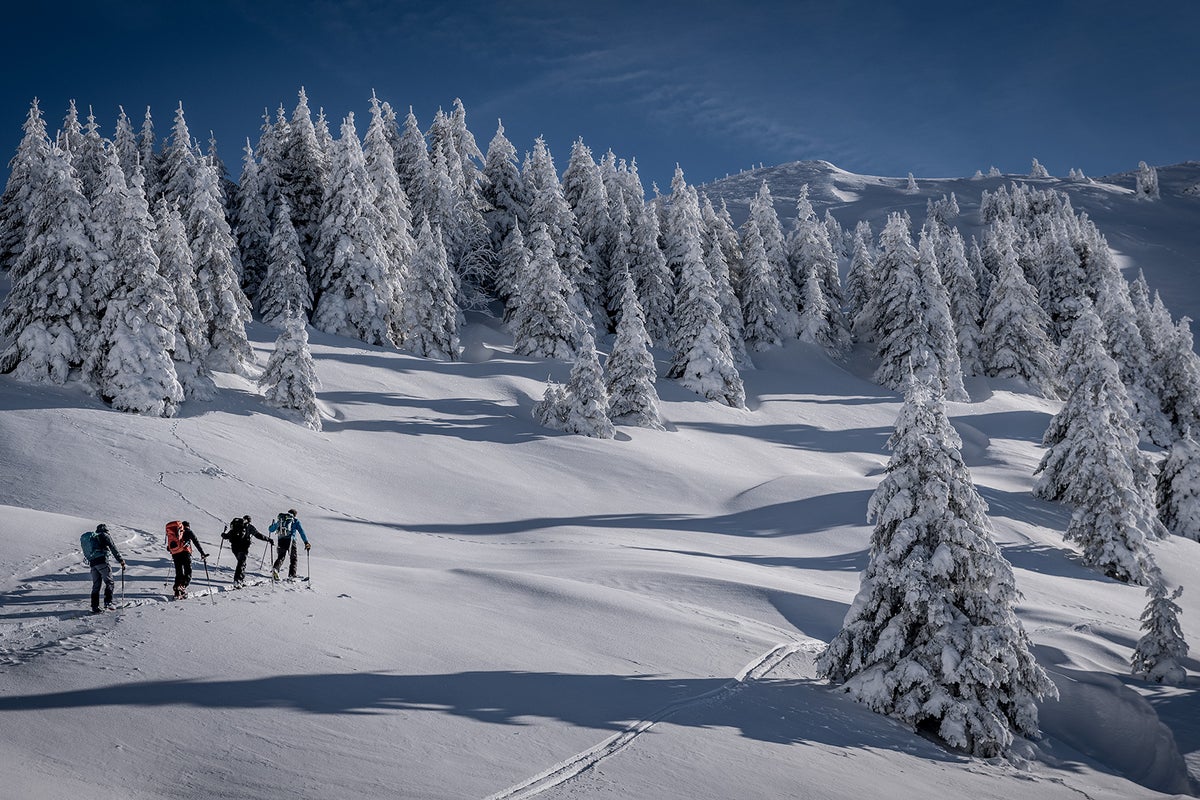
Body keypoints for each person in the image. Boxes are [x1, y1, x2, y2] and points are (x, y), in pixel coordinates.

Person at [80, 523, 126, 613]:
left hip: (93, 563)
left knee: (96, 585)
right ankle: (108, 603)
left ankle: (95, 607)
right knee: (109, 582)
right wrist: (121, 560)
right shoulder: (105, 535)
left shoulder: (93, 538)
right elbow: (113, 547)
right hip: (102, 562)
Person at [222, 515, 270, 588]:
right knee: (241, 563)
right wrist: (268, 539)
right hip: (243, 547)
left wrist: (223, 535)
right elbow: (258, 535)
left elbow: (227, 536)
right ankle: (237, 580)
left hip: (234, 547)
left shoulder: (236, 525)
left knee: (241, 563)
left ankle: (240, 579)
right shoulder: (249, 527)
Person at [166, 520, 208, 599]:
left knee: (179, 572)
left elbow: (169, 547)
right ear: (188, 526)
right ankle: (182, 586)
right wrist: (202, 553)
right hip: (185, 553)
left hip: (175, 554)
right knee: (188, 572)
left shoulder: (175, 533)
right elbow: (196, 542)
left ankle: (177, 589)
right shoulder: (188, 531)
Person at [269, 509, 310, 580]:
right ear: (295, 515)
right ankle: (292, 575)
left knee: (281, 557)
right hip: (291, 540)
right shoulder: (295, 521)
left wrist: (272, 525)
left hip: (281, 540)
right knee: (293, 558)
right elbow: (301, 532)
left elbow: (271, 530)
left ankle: (275, 569)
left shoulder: (281, 519)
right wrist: (306, 542)